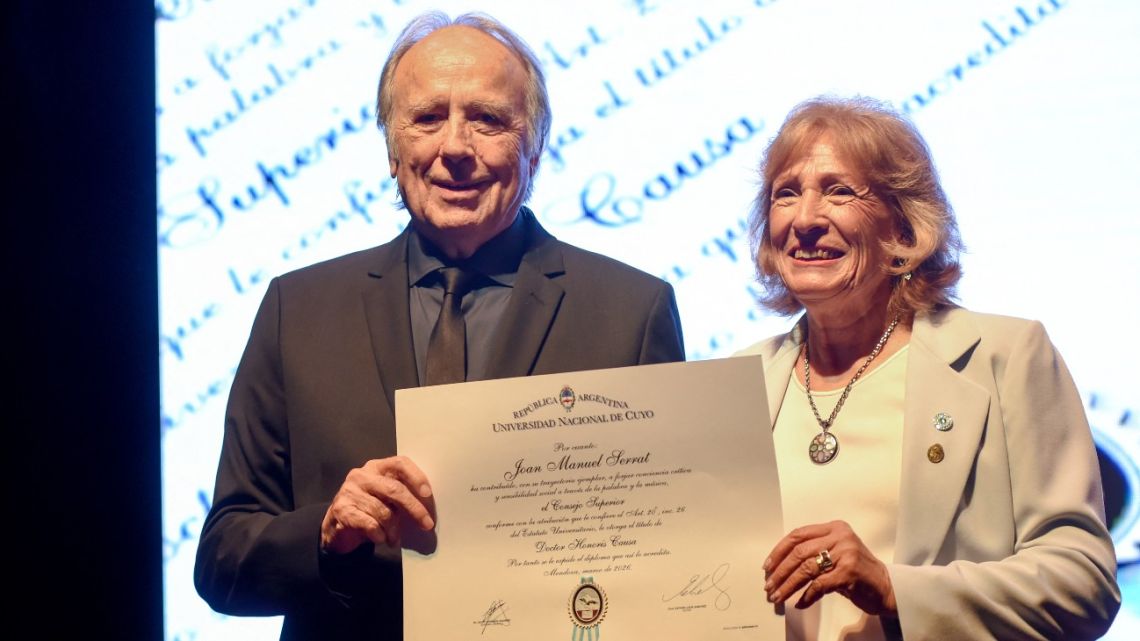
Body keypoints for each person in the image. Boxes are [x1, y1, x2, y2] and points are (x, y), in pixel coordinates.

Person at [193, 12, 684, 640]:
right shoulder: (299, 310)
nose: (455, 148)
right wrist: (324, 534)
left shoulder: (631, 312)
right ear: (392, 151)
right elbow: (222, 562)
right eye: (427, 118)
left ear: (535, 144)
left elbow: (674, 548)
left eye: (487, 119)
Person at [736, 96, 1119, 640]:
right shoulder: (738, 379)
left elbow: (1083, 582)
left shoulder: (1004, 357)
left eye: (839, 191)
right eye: (786, 194)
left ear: (904, 224)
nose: (805, 219)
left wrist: (894, 589)